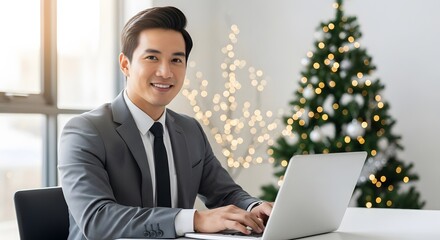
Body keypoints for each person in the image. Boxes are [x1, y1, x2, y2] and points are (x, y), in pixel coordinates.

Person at [58, 6, 272, 240]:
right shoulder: (85, 131)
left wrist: (254, 207)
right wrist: (196, 219)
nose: (165, 72)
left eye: (176, 60)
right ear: (125, 64)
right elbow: (97, 220)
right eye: (152, 57)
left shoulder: (190, 130)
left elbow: (225, 193)